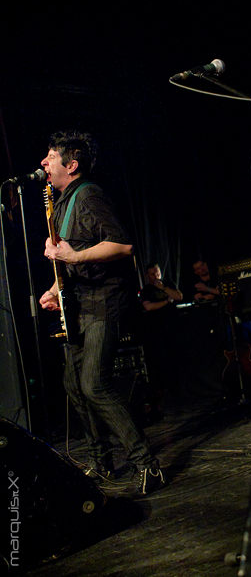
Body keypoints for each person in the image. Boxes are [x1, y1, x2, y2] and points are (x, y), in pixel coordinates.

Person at [39, 130, 165, 495]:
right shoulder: (61, 203)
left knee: (94, 382)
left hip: (104, 301)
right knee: (73, 383)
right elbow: (71, 259)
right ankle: (101, 460)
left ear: (71, 165)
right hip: (80, 299)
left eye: (50, 158)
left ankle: (147, 464)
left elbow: (122, 245)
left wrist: (73, 256)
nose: (43, 164)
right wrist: (53, 290)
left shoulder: (89, 194)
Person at [139, 262, 183, 407]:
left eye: (158, 273)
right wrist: (166, 301)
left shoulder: (168, 284)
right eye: (153, 274)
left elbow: (179, 297)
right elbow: (149, 306)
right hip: (157, 329)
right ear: (147, 275)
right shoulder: (146, 291)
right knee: (163, 359)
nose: (156, 276)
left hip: (174, 326)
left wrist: (163, 288)